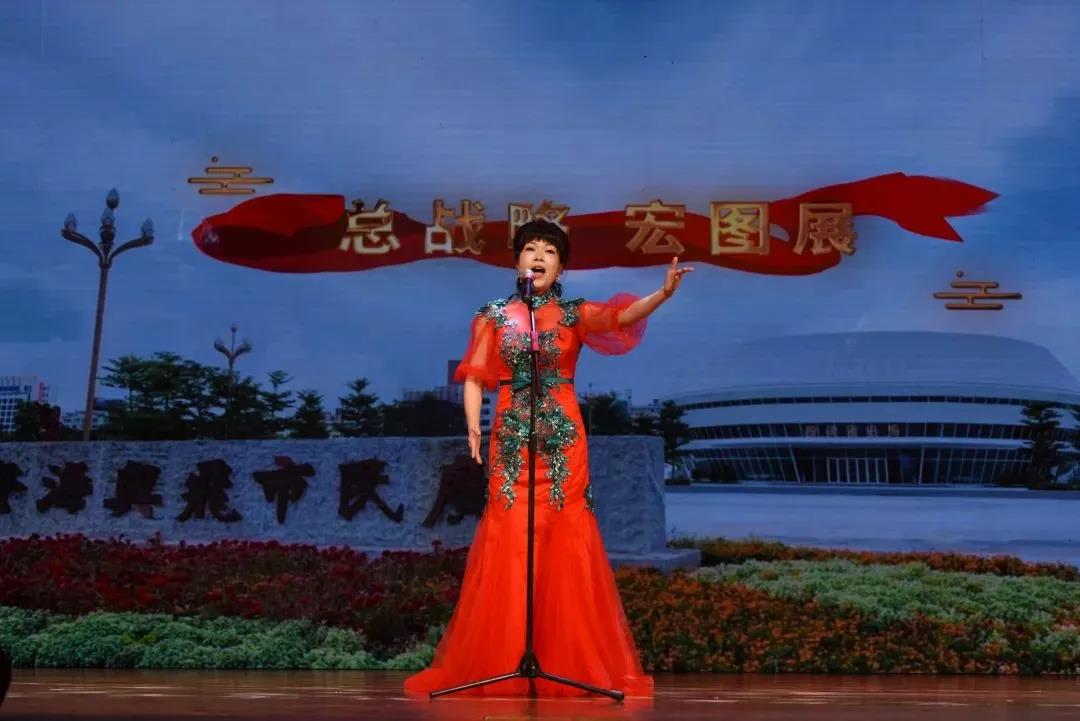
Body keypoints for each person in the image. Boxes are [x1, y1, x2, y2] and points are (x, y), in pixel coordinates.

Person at [404, 219, 692, 697]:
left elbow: (620, 317)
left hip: (562, 442)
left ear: (561, 268)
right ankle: (503, 660)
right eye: (531, 248)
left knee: (565, 536)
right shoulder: (493, 315)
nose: (538, 256)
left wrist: (661, 295)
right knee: (509, 538)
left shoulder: (574, 314)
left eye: (549, 251)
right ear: (517, 260)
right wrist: (473, 426)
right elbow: (475, 376)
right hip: (511, 440)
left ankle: (566, 661)